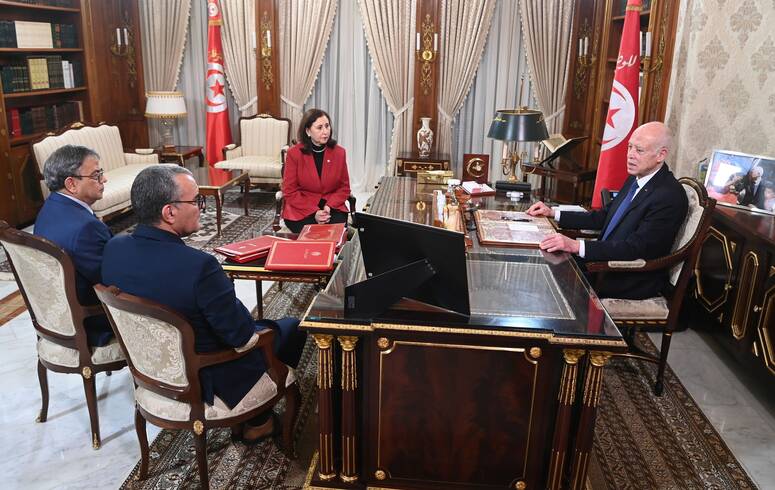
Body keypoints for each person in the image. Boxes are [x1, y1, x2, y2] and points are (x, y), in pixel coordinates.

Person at [102, 165, 306, 442]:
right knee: (291, 327)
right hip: (206, 374)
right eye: (197, 200)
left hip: (151, 369)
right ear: (169, 212)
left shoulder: (114, 248)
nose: (202, 208)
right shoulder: (200, 267)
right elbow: (241, 335)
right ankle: (259, 423)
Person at [526, 121, 688, 300]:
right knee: (539, 260)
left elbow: (635, 248)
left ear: (661, 155)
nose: (630, 155)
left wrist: (576, 245)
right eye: (629, 147)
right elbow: (604, 217)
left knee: (545, 279)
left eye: (639, 150)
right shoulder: (636, 178)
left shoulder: (669, 196)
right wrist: (553, 213)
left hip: (626, 277)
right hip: (604, 262)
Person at [34, 144, 114, 347]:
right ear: (71, 184)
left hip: (59, 315)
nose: (104, 179)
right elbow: (113, 279)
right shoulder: (86, 228)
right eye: (96, 175)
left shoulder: (50, 207)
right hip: (90, 322)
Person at [281, 108, 351, 233]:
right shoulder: (294, 154)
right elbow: (289, 191)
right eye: (319, 128)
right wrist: (315, 212)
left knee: (334, 231)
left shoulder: (339, 153)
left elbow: (344, 188)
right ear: (308, 131)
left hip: (331, 206)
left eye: (327, 126)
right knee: (311, 232)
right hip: (302, 208)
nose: (325, 131)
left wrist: (328, 207)